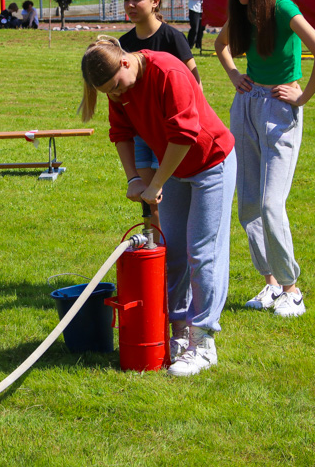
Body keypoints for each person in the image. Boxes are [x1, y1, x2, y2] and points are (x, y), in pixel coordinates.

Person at [80, 37, 236, 377]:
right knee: (174, 252)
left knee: (202, 251)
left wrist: (157, 183)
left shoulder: (168, 71)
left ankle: (204, 341)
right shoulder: (118, 88)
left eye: (116, 87)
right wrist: (133, 179)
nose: (116, 96)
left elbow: (184, 135)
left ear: (124, 62)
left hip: (212, 163)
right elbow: (121, 132)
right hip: (177, 170)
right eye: (108, 92)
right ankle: (179, 335)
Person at [215, 0, 315, 318]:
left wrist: (302, 97)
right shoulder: (243, 12)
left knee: (270, 205)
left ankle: (291, 290)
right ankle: (270, 284)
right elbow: (220, 45)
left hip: (281, 109)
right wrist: (234, 75)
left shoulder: (284, 9)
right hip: (247, 105)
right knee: (248, 205)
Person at [119, 0, 201, 298]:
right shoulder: (124, 44)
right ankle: (157, 261)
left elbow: (195, 85)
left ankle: (176, 265)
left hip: (170, 136)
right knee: (150, 201)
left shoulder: (172, 38)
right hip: (141, 136)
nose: (129, 5)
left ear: (155, 1)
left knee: (174, 205)